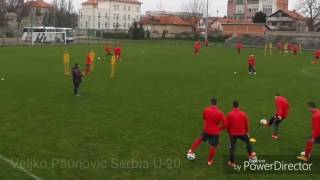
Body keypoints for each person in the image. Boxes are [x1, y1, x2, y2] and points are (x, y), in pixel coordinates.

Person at [187, 98, 225, 166]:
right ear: (217, 104)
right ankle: (209, 161)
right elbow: (225, 123)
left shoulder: (206, 110)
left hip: (206, 130)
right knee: (213, 147)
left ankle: (191, 150)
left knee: (200, 139)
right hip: (215, 132)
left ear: (210, 103)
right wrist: (220, 129)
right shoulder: (220, 113)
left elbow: (204, 117)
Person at [225, 101, 256, 167]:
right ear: (239, 106)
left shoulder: (229, 114)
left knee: (232, 148)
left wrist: (229, 132)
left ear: (232, 106)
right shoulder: (243, 114)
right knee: (248, 141)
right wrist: (247, 131)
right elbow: (247, 124)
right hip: (242, 133)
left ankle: (231, 162)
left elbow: (227, 125)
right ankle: (250, 155)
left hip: (232, 134)